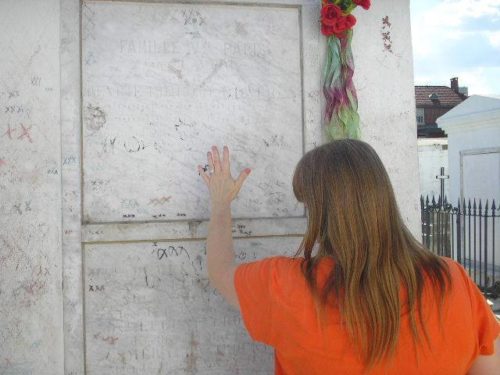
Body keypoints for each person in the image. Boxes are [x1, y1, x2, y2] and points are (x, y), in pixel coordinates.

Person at [197, 140, 500, 374]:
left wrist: (221, 204)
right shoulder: (451, 280)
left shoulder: (286, 286)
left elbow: (220, 270)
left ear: (321, 212)